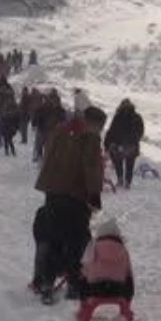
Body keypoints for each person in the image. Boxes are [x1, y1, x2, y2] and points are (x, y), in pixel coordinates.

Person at [32, 105, 107, 304]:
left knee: (53, 236)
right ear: (95, 123)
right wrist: (94, 196)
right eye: (100, 127)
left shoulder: (60, 129)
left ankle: (47, 282)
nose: (100, 131)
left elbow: (47, 154)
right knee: (78, 240)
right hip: (76, 195)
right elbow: (91, 169)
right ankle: (74, 285)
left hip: (53, 191)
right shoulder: (89, 137)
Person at [79, 217, 135, 300]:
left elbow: (84, 270)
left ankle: (84, 304)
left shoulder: (92, 248)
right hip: (118, 289)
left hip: (94, 289)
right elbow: (128, 273)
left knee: (82, 275)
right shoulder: (123, 249)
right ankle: (126, 306)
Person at [104, 99, 145, 189]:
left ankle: (120, 179)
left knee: (118, 162)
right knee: (129, 164)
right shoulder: (137, 117)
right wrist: (133, 141)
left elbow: (111, 131)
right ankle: (127, 182)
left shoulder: (118, 116)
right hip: (132, 146)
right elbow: (140, 132)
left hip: (119, 145)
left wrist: (107, 144)